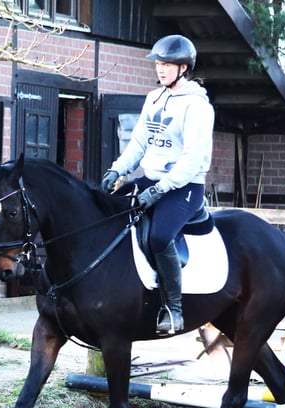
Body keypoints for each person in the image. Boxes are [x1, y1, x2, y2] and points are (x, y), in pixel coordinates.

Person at [101, 34, 215, 336]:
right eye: (159, 64)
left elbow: (191, 159)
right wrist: (117, 170)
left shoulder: (197, 106)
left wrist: (160, 189)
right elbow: (138, 142)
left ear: (183, 67)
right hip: (151, 180)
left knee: (160, 236)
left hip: (184, 188)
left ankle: (174, 310)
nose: (160, 70)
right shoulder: (154, 98)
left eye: (167, 64)